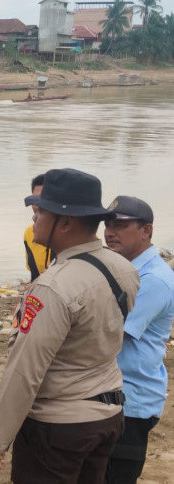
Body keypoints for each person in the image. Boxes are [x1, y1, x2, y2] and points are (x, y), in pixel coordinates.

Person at [0, 169, 140, 483]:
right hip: (108, 414)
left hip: (59, 429)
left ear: (64, 222)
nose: (33, 221)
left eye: (39, 213)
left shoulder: (53, 286)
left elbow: (25, 370)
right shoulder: (122, 267)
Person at [103, 196, 174, 483]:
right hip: (117, 394)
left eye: (121, 224)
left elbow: (110, 334)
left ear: (147, 230)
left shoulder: (153, 279)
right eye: (107, 223)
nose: (110, 231)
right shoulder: (125, 269)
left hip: (132, 401)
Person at [24, 174, 54, 281]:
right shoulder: (29, 233)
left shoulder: (79, 236)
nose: (40, 205)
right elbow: (33, 272)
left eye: (45, 200)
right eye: (35, 201)